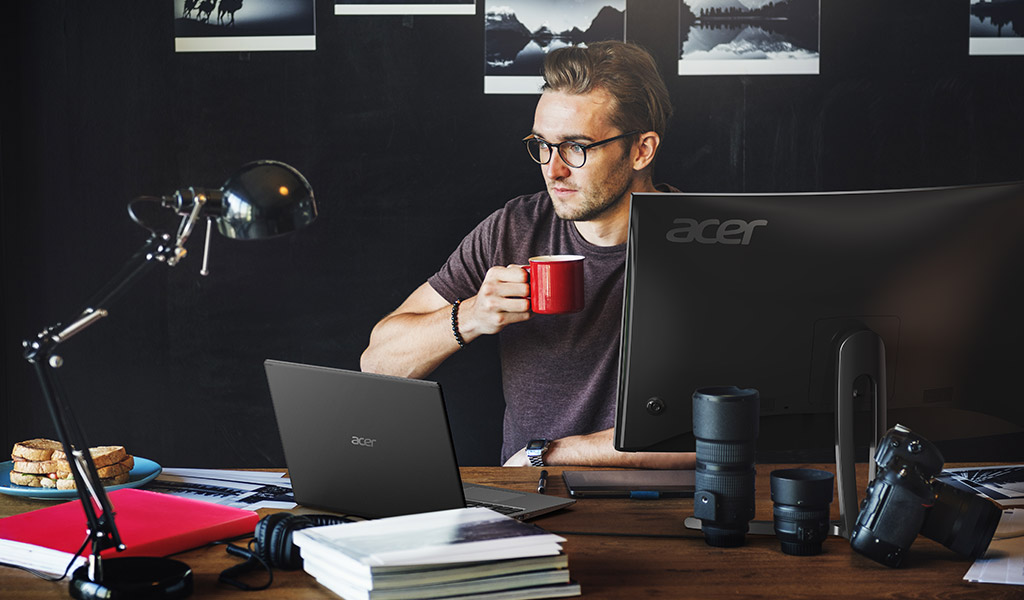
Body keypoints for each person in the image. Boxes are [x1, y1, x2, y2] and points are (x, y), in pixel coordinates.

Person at [361, 41, 694, 470]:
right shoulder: (514, 228)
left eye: (576, 147)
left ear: (641, 150)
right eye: (542, 145)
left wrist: (552, 453)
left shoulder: (704, 241)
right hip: (531, 502)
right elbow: (378, 364)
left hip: (661, 507)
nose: (553, 169)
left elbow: (719, 434)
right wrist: (474, 315)